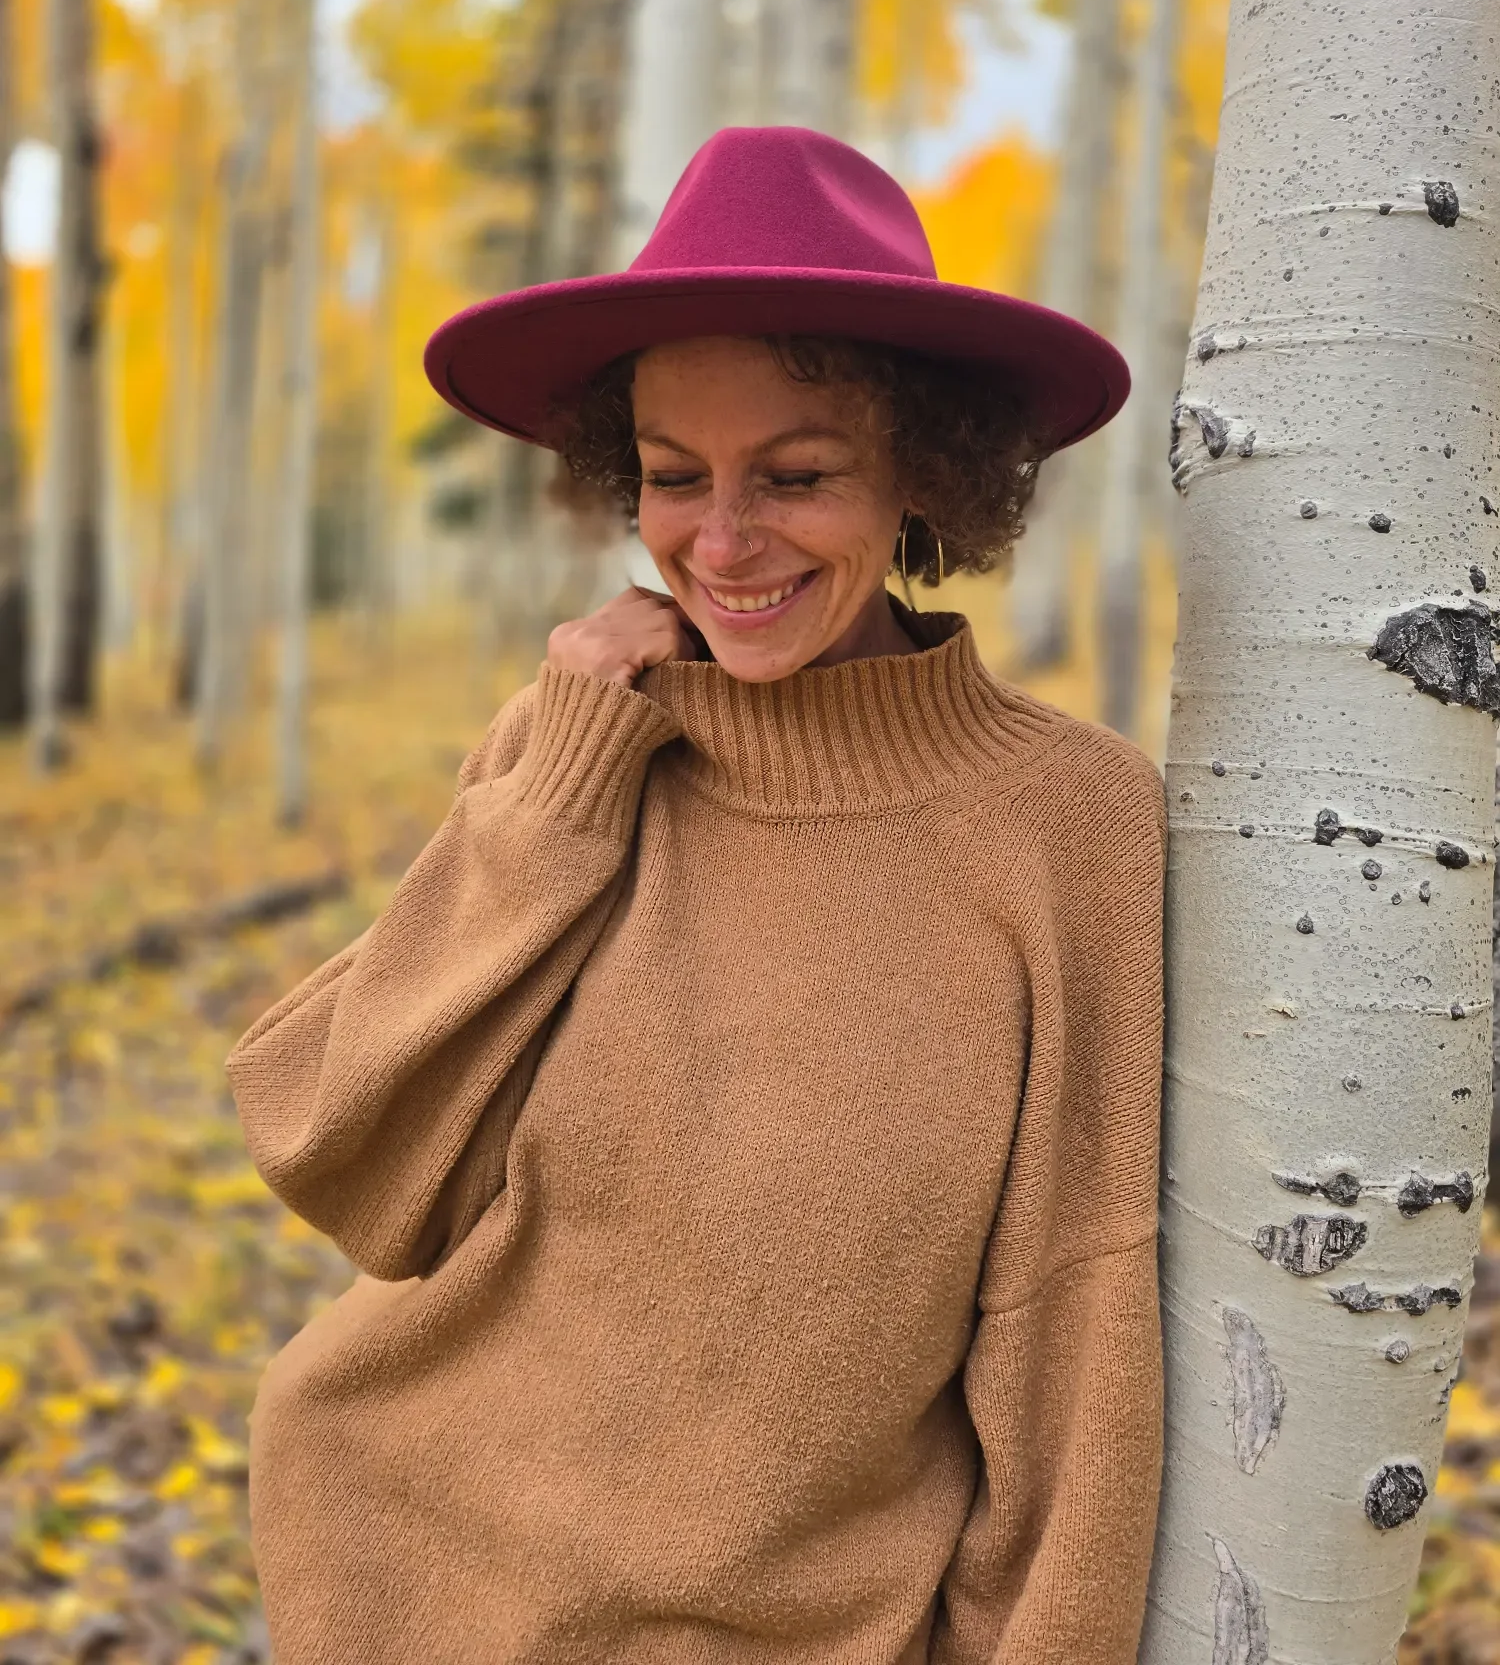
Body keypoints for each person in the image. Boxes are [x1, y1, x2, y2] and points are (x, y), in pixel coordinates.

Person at [227, 126, 1166, 1664]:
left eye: (795, 475)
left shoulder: (1068, 824)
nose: (721, 543)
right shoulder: (578, 748)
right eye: (673, 479)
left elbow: (1080, 1330)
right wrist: (564, 784)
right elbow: (348, 1148)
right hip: (402, 1575)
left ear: (927, 472)